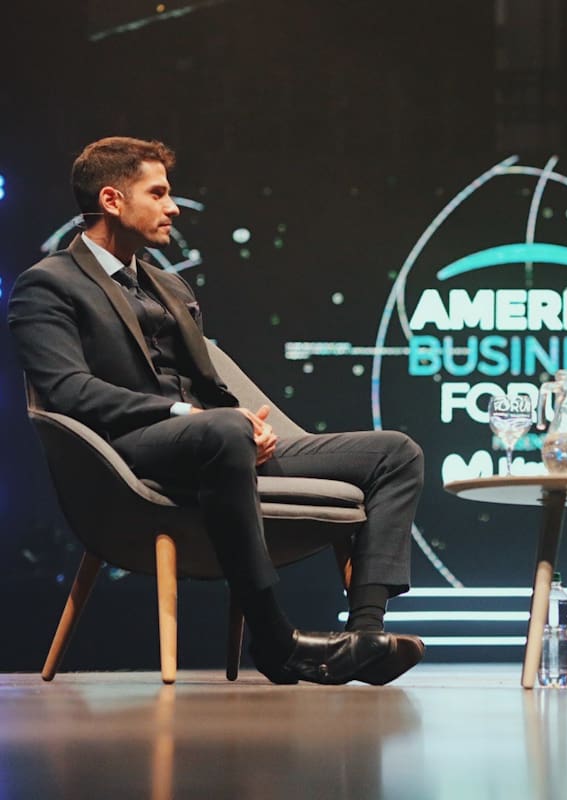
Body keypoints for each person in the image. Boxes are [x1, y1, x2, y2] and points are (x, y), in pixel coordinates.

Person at [8, 137, 426, 686]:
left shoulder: (168, 284)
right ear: (111, 199)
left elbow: (208, 384)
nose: (173, 207)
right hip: (127, 452)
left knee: (396, 453)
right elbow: (67, 391)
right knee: (225, 430)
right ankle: (274, 638)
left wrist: (247, 424)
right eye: (158, 193)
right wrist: (190, 415)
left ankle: (365, 634)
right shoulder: (47, 284)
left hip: (213, 442)